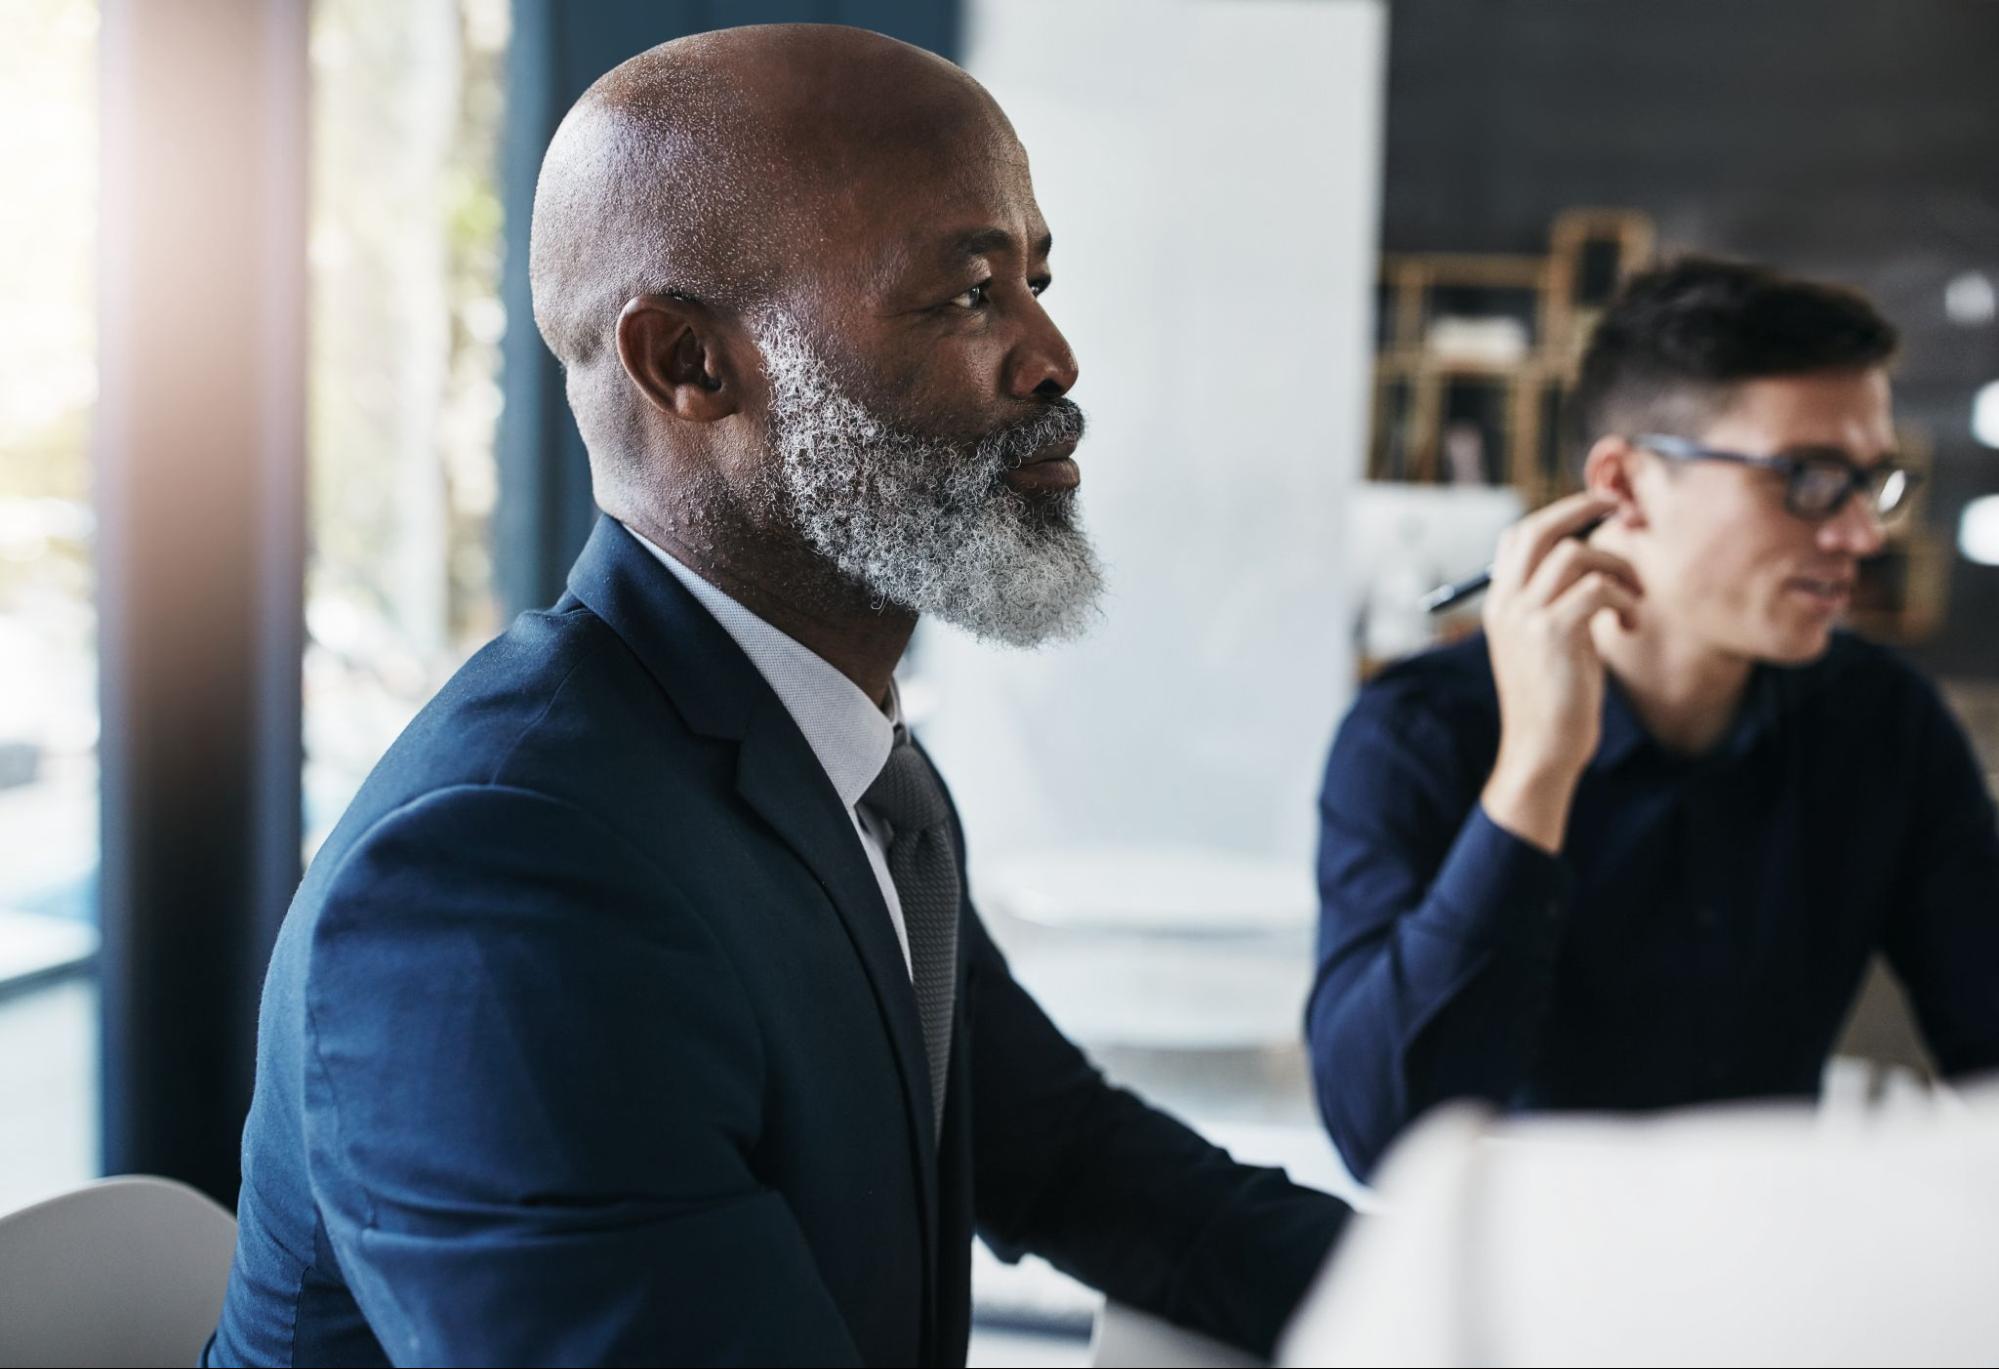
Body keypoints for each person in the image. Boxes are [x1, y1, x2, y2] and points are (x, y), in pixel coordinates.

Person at [205, 25, 1346, 1368]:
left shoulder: (839, 769)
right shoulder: (498, 885)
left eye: (1034, 281)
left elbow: (1080, 1162)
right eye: (969, 292)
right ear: (688, 363)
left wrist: (1518, 1298)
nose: (1052, 356)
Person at [1308, 256, 1999, 1182]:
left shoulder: (1881, 721)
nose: (1858, 535)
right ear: (1625, 483)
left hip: (1764, 1278)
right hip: (1506, 1290)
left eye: (1868, 482)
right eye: (1806, 478)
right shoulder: (1416, 733)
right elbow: (1382, 1136)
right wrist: (1537, 767)